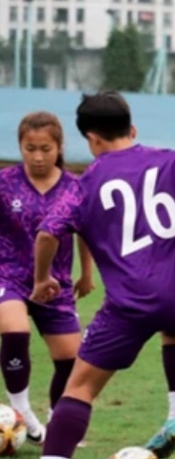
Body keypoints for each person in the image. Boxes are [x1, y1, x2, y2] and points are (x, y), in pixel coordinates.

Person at [3, 91, 175, 459]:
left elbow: (47, 235)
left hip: (133, 302)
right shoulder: (173, 159)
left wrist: (41, 280)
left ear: (91, 139)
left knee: (79, 389)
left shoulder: (84, 185)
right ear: (133, 130)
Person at [0, 112, 95, 441]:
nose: (38, 156)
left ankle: (59, 423)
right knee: (14, 329)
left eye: (45, 148)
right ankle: (22, 411)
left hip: (56, 283)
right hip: (8, 276)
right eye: (29, 148)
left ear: (59, 147)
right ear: (20, 147)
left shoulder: (75, 187)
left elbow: (84, 232)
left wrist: (86, 273)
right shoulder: (4, 183)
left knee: (70, 358)